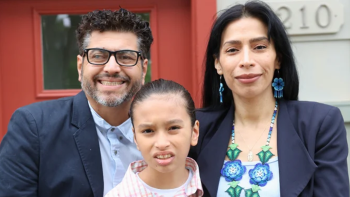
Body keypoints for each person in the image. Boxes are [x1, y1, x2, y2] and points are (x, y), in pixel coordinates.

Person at [189, 1, 349, 197]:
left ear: (278, 59)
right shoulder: (197, 128)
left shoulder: (320, 124)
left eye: (259, 47)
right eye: (232, 50)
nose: (246, 61)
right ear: (218, 64)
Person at [0, 8, 153, 197]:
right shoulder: (33, 128)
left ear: (143, 69)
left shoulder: (172, 130)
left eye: (126, 57)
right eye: (98, 56)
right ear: (81, 67)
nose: (112, 68)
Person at [105, 79, 203, 197]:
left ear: (194, 132)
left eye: (173, 128)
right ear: (135, 137)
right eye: (148, 131)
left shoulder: (216, 187)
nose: (161, 143)